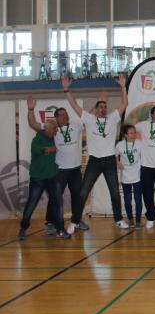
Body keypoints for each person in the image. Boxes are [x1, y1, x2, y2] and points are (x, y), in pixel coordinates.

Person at [62, 74, 129, 233]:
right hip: (94, 161)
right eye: (101, 107)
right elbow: (74, 106)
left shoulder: (113, 119)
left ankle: (119, 219)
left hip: (109, 160)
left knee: (114, 191)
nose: (104, 109)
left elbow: (125, 103)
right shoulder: (89, 119)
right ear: (96, 109)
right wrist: (66, 89)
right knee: (83, 191)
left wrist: (123, 86)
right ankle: (75, 221)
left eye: (105, 107)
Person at [27, 97, 89, 235]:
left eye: (66, 113)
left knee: (77, 196)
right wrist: (31, 110)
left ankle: (76, 220)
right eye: (61, 115)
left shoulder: (75, 125)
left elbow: (88, 117)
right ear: (56, 118)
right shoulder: (52, 129)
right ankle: (50, 222)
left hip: (75, 169)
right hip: (59, 170)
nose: (65, 116)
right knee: (56, 198)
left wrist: (98, 104)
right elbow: (34, 124)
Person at [17, 120, 70, 240]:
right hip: (38, 179)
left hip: (53, 177)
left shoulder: (55, 138)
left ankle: (60, 229)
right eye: (54, 129)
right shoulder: (37, 139)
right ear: (47, 129)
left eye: (56, 129)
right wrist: (51, 149)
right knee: (31, 204)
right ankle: (23, 228)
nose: (56, 130)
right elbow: (43, 150)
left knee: (58, 204)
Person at [116, 125, 143, 229]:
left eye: (134, 132)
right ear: (126, 135)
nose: (134, 134)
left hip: (137, 176)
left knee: (138, 199)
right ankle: (130, 219)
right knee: (127, 200)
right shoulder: (120, 145)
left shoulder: (140, 143)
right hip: (125, 177)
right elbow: (113, 155)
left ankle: (138, 221)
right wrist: (117, 162)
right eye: (131, 133)